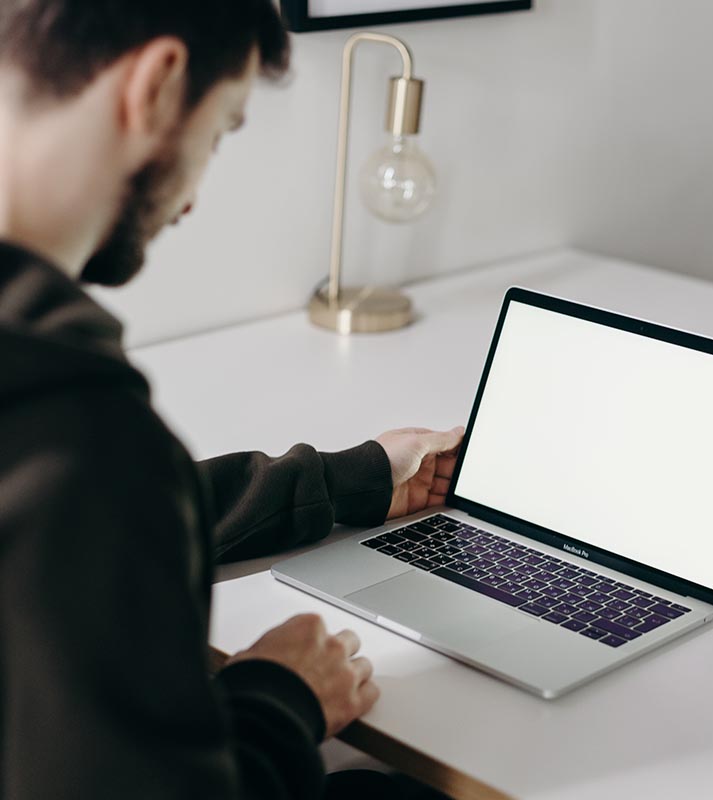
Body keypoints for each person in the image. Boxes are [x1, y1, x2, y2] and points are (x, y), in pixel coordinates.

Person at [0, 2, 464, 797]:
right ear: (158, 83)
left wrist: (353, 477)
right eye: (218, 133)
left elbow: (84, 524)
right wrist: (280, 697)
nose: (191, 203)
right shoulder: (82, 433)